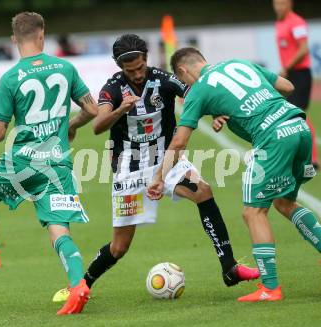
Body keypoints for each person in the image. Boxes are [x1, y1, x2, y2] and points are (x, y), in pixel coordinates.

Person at [53, 34, 259, 303]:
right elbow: (97, 125)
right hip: (129, 169)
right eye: (130, 70)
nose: (137, 74)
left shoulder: (163, 78)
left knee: (203, 190)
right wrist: (120, 110)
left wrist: (216, 111)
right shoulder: (113, 88)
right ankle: (82, 285)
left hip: (167, 159)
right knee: (119, 247)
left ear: (146, 59)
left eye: (140, 67)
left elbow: (196, 94)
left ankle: (229, 268)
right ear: (119, 66)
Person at [149, 47, 320, 302]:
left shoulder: (199, 89)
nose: (186, 87)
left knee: (253, 212)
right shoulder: (239, 62)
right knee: (284, 203)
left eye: (183, 81)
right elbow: (287, 86)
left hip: (272, 139)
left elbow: (179, 142)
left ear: (183, 71)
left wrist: (160, 177)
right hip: (299, 127)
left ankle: (270, 288)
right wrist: (240, 106)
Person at [0, 11, 98, 315]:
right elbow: (92, 109)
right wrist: (71, 126)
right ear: (42, 34)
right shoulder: (65, 67)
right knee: (58, 228)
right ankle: (78, 286)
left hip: (21, 161)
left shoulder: (11, 77)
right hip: (58, 164)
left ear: (14, 39)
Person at [273, 0, 318, 169]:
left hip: (299, 73)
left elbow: (303, 48)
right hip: (290, 74)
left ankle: (312, 158)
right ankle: (299, 155)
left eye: (282, 4)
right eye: (276, 4)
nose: (279, 7)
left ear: (290, 4)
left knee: (299, 115)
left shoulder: (297, 22)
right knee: (289, 115)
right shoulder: (279, 22)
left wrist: (287, 67)